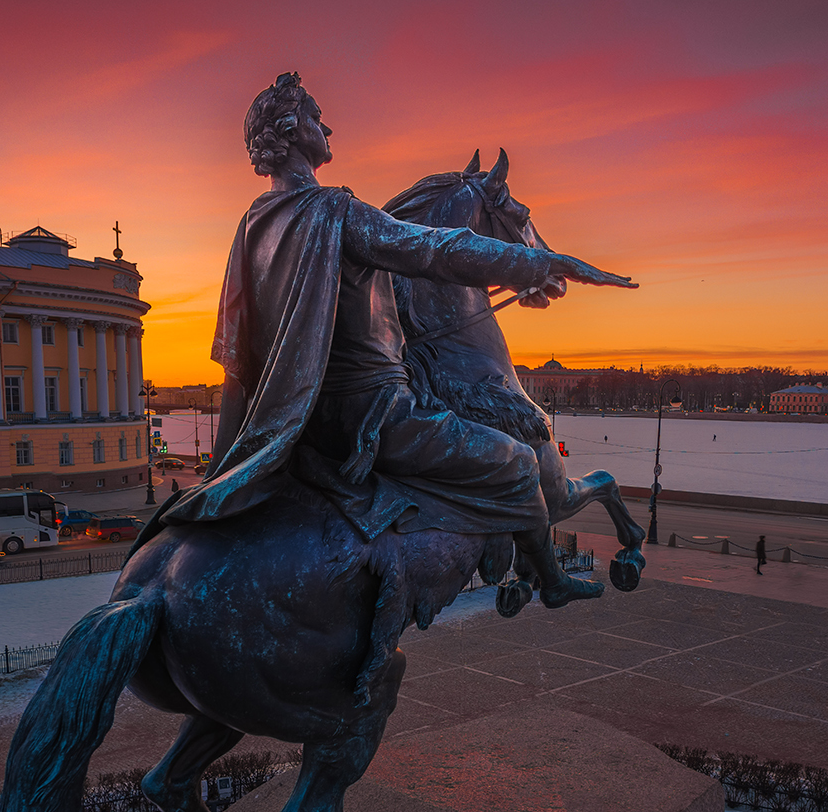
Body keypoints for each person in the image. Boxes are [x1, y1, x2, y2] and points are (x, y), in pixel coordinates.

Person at [164, 72, 625, 607]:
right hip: (376, 416)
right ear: (291, 131)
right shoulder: (335, 212)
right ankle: (551, 581)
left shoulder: (253, 226)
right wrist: (543, 261)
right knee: (521, 464)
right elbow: (439, 252)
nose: (327, 124)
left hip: (306, 425)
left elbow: (237, 356)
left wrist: (229, 461)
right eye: (316, 114)